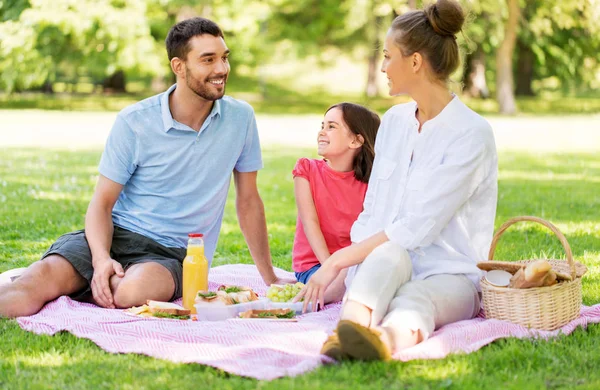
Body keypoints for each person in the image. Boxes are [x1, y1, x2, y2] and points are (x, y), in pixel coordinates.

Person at [0, 17, 293, 318]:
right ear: (179, 67)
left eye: (224, 58)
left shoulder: (240, 119)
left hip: (173, 254)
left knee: (131, 292)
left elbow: (248, 201)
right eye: (208, 60)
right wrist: (100, 260)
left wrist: (269, 276)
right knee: (36, 283)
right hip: (115, 236)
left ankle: (79, 281)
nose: (221, 69)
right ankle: (73, 276)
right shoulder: (135, 122)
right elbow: (101, 204)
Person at [296, 0, 498, 361]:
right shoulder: (394, 122)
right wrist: (354, 269)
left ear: (415, 62)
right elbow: (374, 209)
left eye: (389, 57)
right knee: (387, 254)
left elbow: (416, 228)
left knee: (415, 299)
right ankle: (348, 332)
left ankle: (381, 343)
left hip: (448, 274)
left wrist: (337, 261)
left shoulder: (471, 134)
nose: (384, 66)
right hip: (386, 262)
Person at [291, 103, 380, 304]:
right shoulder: (306, 170)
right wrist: (329, 269)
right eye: (322, 125)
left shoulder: (371, 183)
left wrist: (344, 268)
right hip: (316, 266)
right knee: (349, 281)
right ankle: (317, 296)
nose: (322, 132)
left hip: (353, 262)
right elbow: (310, 223)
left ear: (356, 141)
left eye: (331, 127)